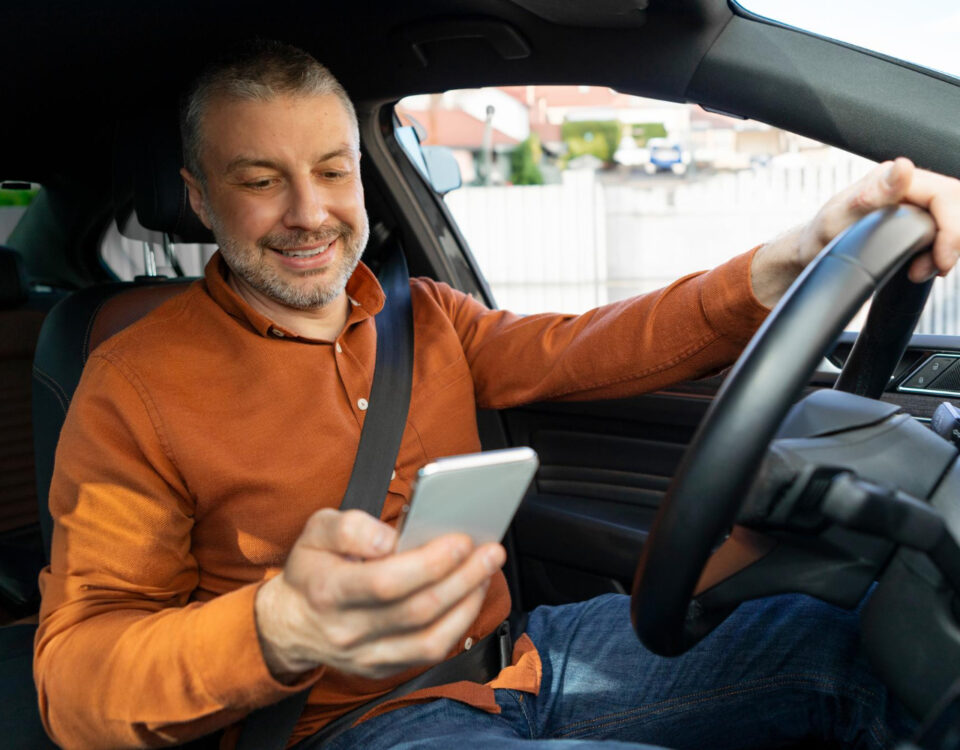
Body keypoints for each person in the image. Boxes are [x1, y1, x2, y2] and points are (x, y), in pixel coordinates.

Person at [33, 40, 960, 750]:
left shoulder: (423, 316)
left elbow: (595, 347)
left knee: (861, 642)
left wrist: (795, 254)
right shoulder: (134, 382)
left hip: (522, 657)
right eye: (260, 181)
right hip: (348, 725)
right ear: (200, 198)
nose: (310, 212)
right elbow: (75, 679)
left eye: (331, 170)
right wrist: (278, 625)